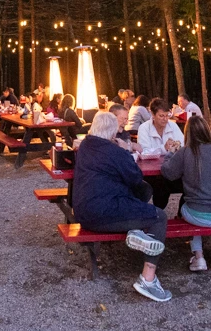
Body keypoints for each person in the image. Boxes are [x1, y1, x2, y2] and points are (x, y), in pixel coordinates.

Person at [72, 112, 171, 302]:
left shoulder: (85, 146)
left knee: (143, 193)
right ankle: (148, 280)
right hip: (105, 213)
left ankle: (136, 231)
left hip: (84, 212)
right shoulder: (114, 151)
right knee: (159, 216)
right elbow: (135, 177)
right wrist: (125, 150)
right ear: (111, 134)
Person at [161, 116, 211, 273]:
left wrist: (170, 155)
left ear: (187, 134)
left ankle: (198, 257)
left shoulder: (185, 152)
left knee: (185, 206)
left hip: (198, 216)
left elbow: (168, 173)